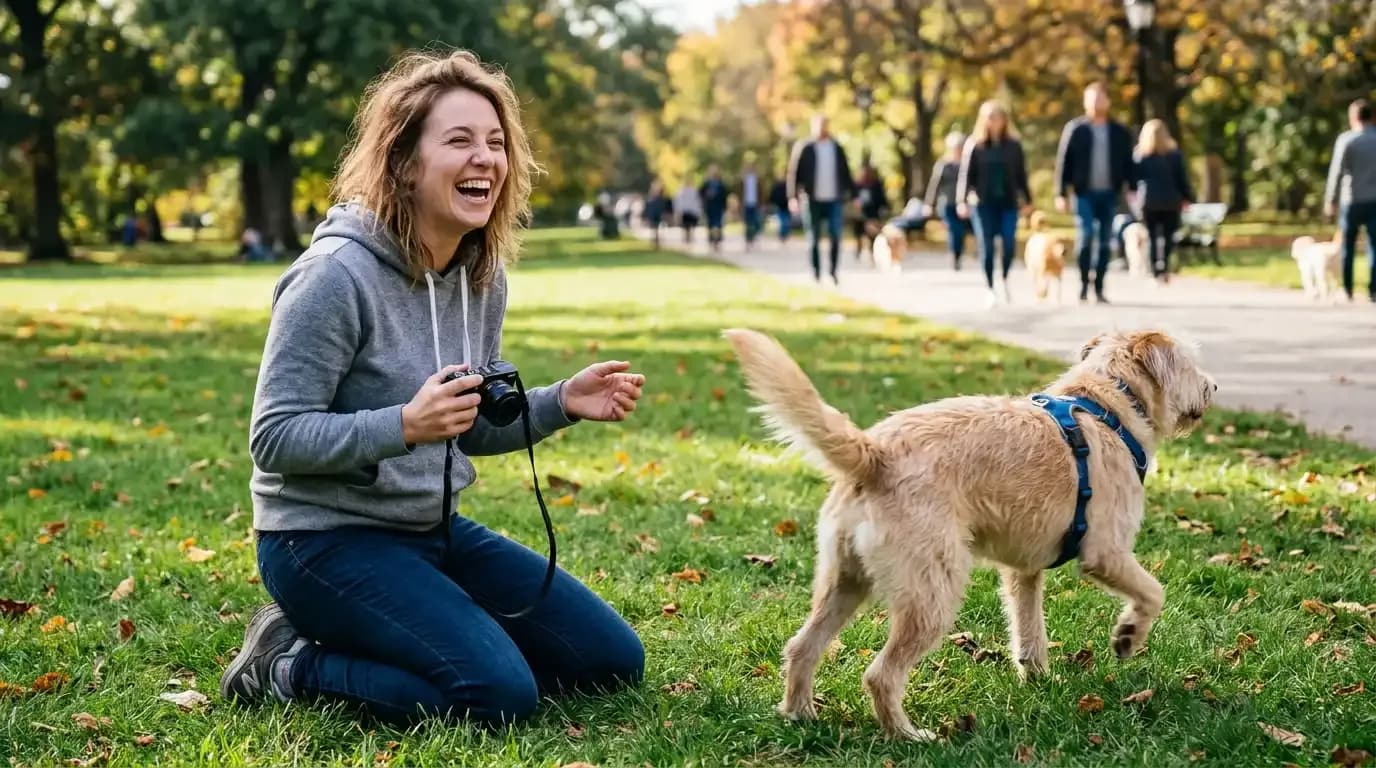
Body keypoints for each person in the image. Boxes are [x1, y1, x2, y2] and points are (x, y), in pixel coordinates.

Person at [220, 49, 647, 729]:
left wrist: (561, 402)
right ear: (404, 163)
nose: (486, 158)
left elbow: (468, 425)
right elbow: (273, 439)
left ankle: (444, 638)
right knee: (498, 697)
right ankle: (285, 661)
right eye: (459, 140)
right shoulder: (333, 277)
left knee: (609, 660)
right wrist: (403, 426)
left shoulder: (481, 275)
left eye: (496, 143)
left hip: (430, 529)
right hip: (320, 542)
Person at [1054, 81, 1135, 303]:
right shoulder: (1076, 129)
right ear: (1085, 102)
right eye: (1091, 98)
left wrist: (1132, 188)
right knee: (1086, 234)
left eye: (1100, 98)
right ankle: (1083, 284)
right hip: (1083, 193)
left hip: (1110, 193)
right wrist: (1061, 193)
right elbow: (1064, 162)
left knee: (1105, 240)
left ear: (1108, 101)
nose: (1095, 102)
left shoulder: (1119, 131)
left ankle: (1099, 286)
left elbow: (1128, 162)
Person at [956, 100, 1032, 307]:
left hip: (1008, 202)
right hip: (983, 203)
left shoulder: (1014, 146)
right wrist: (961, 201)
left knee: (1008, 243)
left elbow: (1021, 175)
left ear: (1005, 120)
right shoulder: (975, 145)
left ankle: (1005, 279)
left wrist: (1027, 200)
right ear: (984, 120)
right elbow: (966, 176)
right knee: (987, 245)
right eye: (990, 117)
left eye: (998, 117)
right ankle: (989, 287)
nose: (995, 121)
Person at [788, 114, 856, 284]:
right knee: (813, 237)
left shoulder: (836, 147)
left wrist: (854, 195)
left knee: (835, 234)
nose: (821, 129)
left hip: (834, 199)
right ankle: (816, 272)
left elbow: (846, 172)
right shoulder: (805, 147)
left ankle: (833, 271)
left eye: (824, 125)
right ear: (813, 127)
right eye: (818, 125)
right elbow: (794, 174)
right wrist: (792, 197)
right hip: (811, 199)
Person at [1323, 99, 1376, 303]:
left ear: (1353, 117)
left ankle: (1348, 289)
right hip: (1374, 200)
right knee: (1374, 245)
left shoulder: (1346, 140)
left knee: (1347, 246)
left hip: (1351, 200)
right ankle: (1374, 289)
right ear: (1371, 117)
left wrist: (1330, 200)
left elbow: (1336, 171)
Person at [1132, 119, 1194, 284]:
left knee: (1152, 236)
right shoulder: (1174, 156)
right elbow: (1182, 179)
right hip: (1170, 201)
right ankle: (1164, 267)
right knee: (1168, 237)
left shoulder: (1141, 156)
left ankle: (1155, 270)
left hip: (1149, 201)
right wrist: (1187, 197)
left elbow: (1134, 179)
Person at [925, 130, 969, 270]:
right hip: (947, 204)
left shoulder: (967, 164)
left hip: (963, 205)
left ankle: (959, 253)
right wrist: (929, 204)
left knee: (960, 231)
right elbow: (934, 186)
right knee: (954, 229)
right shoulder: (943, 164)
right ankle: (954, 255)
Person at [852, 162, 889, 262]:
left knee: (872, 233)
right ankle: (859, 249)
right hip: (860, 214)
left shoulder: (876, 185)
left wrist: (883, 209)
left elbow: (882, 200)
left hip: (873, 213)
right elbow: (852, 198)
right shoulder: (857, 185)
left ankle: (872, 251)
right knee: (858, 230)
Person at [700, 164, 729, 253]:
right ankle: (711, 241)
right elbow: (700, 193)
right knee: (710, 224)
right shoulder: (707, 183)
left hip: (718, 207)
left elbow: (724, 196)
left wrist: (724, 206)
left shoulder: (720, 184)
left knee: (718, 224)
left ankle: (717, 242)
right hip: (710, 207)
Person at [643, 179, 671, 250]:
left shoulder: (661, 198)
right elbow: (648, 207)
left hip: (659, 214)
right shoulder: (651, 197)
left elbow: (665, 206)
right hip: (653, 215)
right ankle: (655, 243)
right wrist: (646, 216)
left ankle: (657, 243)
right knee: (654, 229)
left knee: (658, 229)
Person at [741, 161, 763, 250]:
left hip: (755, 205)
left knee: (756, 223)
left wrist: (761, 204)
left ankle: (754, 238)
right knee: (748, 224)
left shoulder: (758, 181)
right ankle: (748, 241)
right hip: (746, 204)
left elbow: (761, 193)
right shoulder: (743, 181)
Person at [768, 174, 791, 244]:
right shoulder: (776, 187)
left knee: (786, 222)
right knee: (783, 222)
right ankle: (782, 236)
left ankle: (784, 235)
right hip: (780, 207)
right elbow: (772, 196)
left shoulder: (788, 186)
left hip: (787, 207)